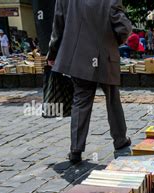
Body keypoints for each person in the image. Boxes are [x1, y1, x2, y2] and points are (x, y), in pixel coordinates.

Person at [47, 0, 132, 164]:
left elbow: (58, 28)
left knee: (80, 101)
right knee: (113, 99)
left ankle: (76, 150)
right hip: (105, 56)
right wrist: (113, 42)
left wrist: (52, 54)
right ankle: (120, 140)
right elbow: (124, 28)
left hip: (78, 57)